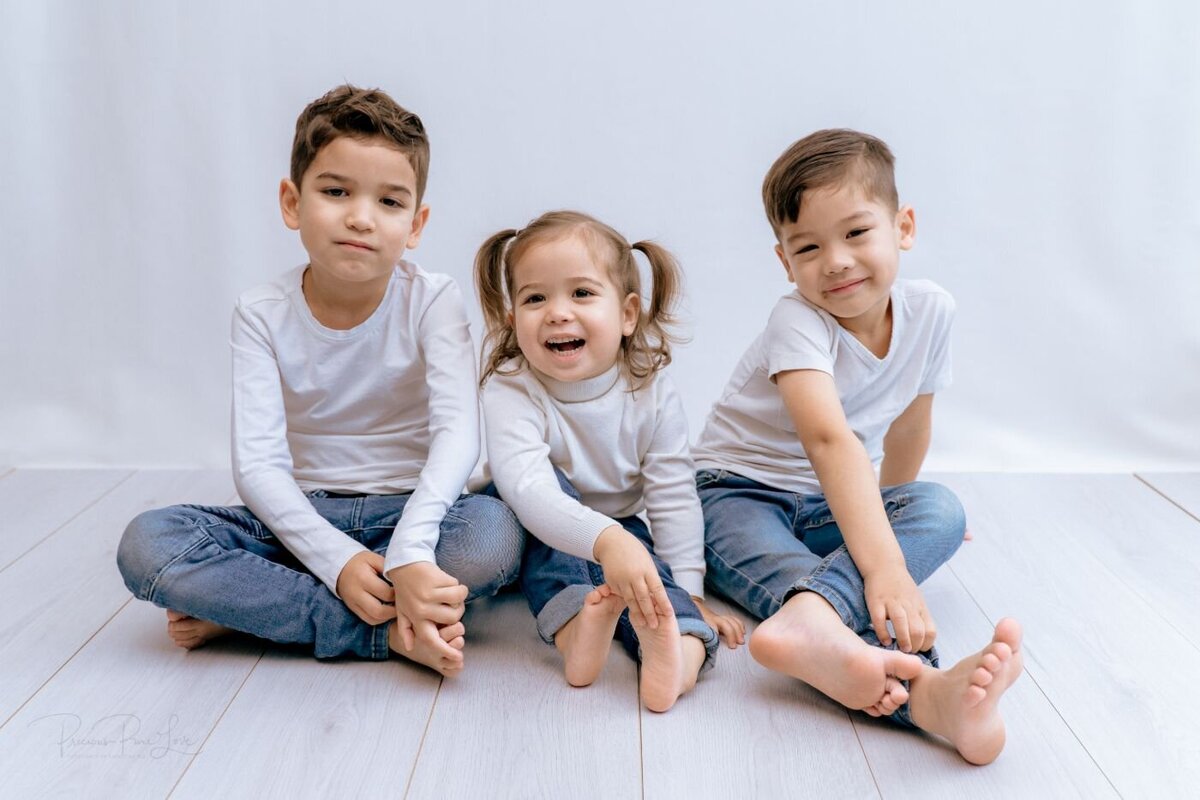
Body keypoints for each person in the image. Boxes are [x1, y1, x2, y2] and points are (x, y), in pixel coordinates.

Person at [117, 84, 522, 676]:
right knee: (148, 542)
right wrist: (334, 560)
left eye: (389, 202)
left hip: (413, 516)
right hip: (302, 523)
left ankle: (259, 609)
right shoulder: (261, 313)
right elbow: (257, 467)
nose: (360, 217)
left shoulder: (432, 300)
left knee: (492, 534)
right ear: (291, 202)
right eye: (335, 192)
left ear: (416, 223)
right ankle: (384, 633)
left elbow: (458, 437)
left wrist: (408, 552)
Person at [692, 129, 1022, 764]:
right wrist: (887, 566)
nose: (836, 260)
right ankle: (926, 691)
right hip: (733, 496)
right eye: (808, 247)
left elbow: (910, 426)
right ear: (785, 263)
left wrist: (892, 520)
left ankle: (872, 658)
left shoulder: (930, 312)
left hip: (828, 503)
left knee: (940, 510)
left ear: (904, 226)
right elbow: (828, 438)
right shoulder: (798, 321)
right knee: (833, 588)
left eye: (856, 234)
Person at [473, 210, 744, 712]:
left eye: (581, 293)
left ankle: (679, 651)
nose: (557, 312)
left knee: (652, 583)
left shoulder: (650, 389)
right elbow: (529, 490)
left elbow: (671, 490)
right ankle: (578, 632)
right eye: (535, 298)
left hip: (621, 527)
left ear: (627, 313)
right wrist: (607, 543)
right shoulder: (512, 386)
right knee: (556, 554)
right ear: (513, 321)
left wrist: (690, 585)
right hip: (535, 524)